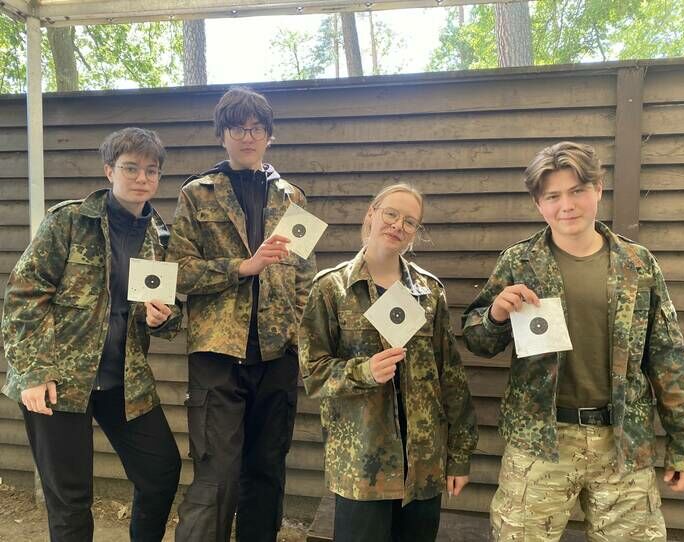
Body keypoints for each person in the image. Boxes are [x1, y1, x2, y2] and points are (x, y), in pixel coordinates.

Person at [462, 141, 684, 541]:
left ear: (598, 189)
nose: (567, 205)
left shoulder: (637, 264)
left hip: (622, 444)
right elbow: (477, 341)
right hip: (540, 444)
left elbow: (669, 357)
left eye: (577, 191)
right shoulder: (519, 262)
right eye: (553, 196)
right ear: (538, 204)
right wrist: (495, 315)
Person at [2, 127, 183, 542]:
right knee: (70, 500)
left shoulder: (160, 238)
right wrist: (33, 373)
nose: (141, 178)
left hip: (123, 381)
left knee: (160, 471)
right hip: (58, 380)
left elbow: (168, 313)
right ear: (109, 170)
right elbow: (23, 296)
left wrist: (163, 319)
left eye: (151, 170)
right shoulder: (69, 221)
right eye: (131, 168)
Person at [166, 87, 316, 542]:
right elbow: (178, 271)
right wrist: (242, 267)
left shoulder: (294, 198)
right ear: (222, 135)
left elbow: (304, 276)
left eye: (256, 128)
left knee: (267, 472)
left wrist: (299, 339)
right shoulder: (197, 194)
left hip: (277, 354)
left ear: (269, 135)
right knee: (217, 475)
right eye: (237, 128)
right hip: (218, 356)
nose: (247, 137)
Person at [300, 183, 478, 542]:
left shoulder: (429, 292)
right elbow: (314, 372)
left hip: (423, 463)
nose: (398, 225)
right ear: (372, 214)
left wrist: (459, 455)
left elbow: (451, 378)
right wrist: (364, 372)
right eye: (391, 214)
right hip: (363, 465)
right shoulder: (331, 289)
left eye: (410, 221)